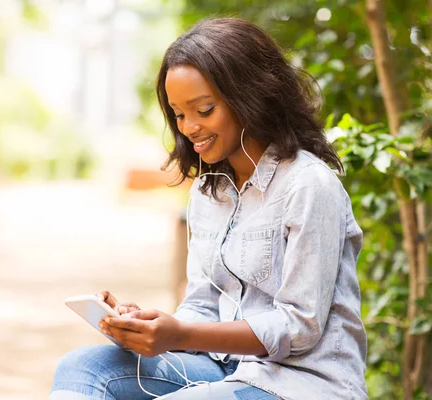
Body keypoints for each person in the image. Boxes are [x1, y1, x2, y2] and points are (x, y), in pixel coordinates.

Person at [50, 17, 368, 400]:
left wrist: (181, 335)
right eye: (179, 114)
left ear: (248, 97)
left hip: (300, 382)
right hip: (221, 367)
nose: (189, 127)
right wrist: (149, 326)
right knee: (83, 368)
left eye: (204, 110)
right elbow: (202, 305)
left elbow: (300, 326)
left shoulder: (308, 185)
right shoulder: (208, 191)